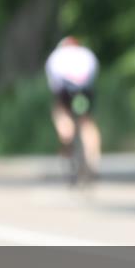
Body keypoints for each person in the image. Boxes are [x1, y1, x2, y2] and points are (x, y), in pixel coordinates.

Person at [44, 37, 101, 179]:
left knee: (61, 113)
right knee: (86, 122)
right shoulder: (86, 53)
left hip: (65, 92)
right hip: (85, 92)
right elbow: (93, 75)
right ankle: (93, 159)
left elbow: (54, 84)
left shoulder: (56, 56)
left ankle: (66, 136)